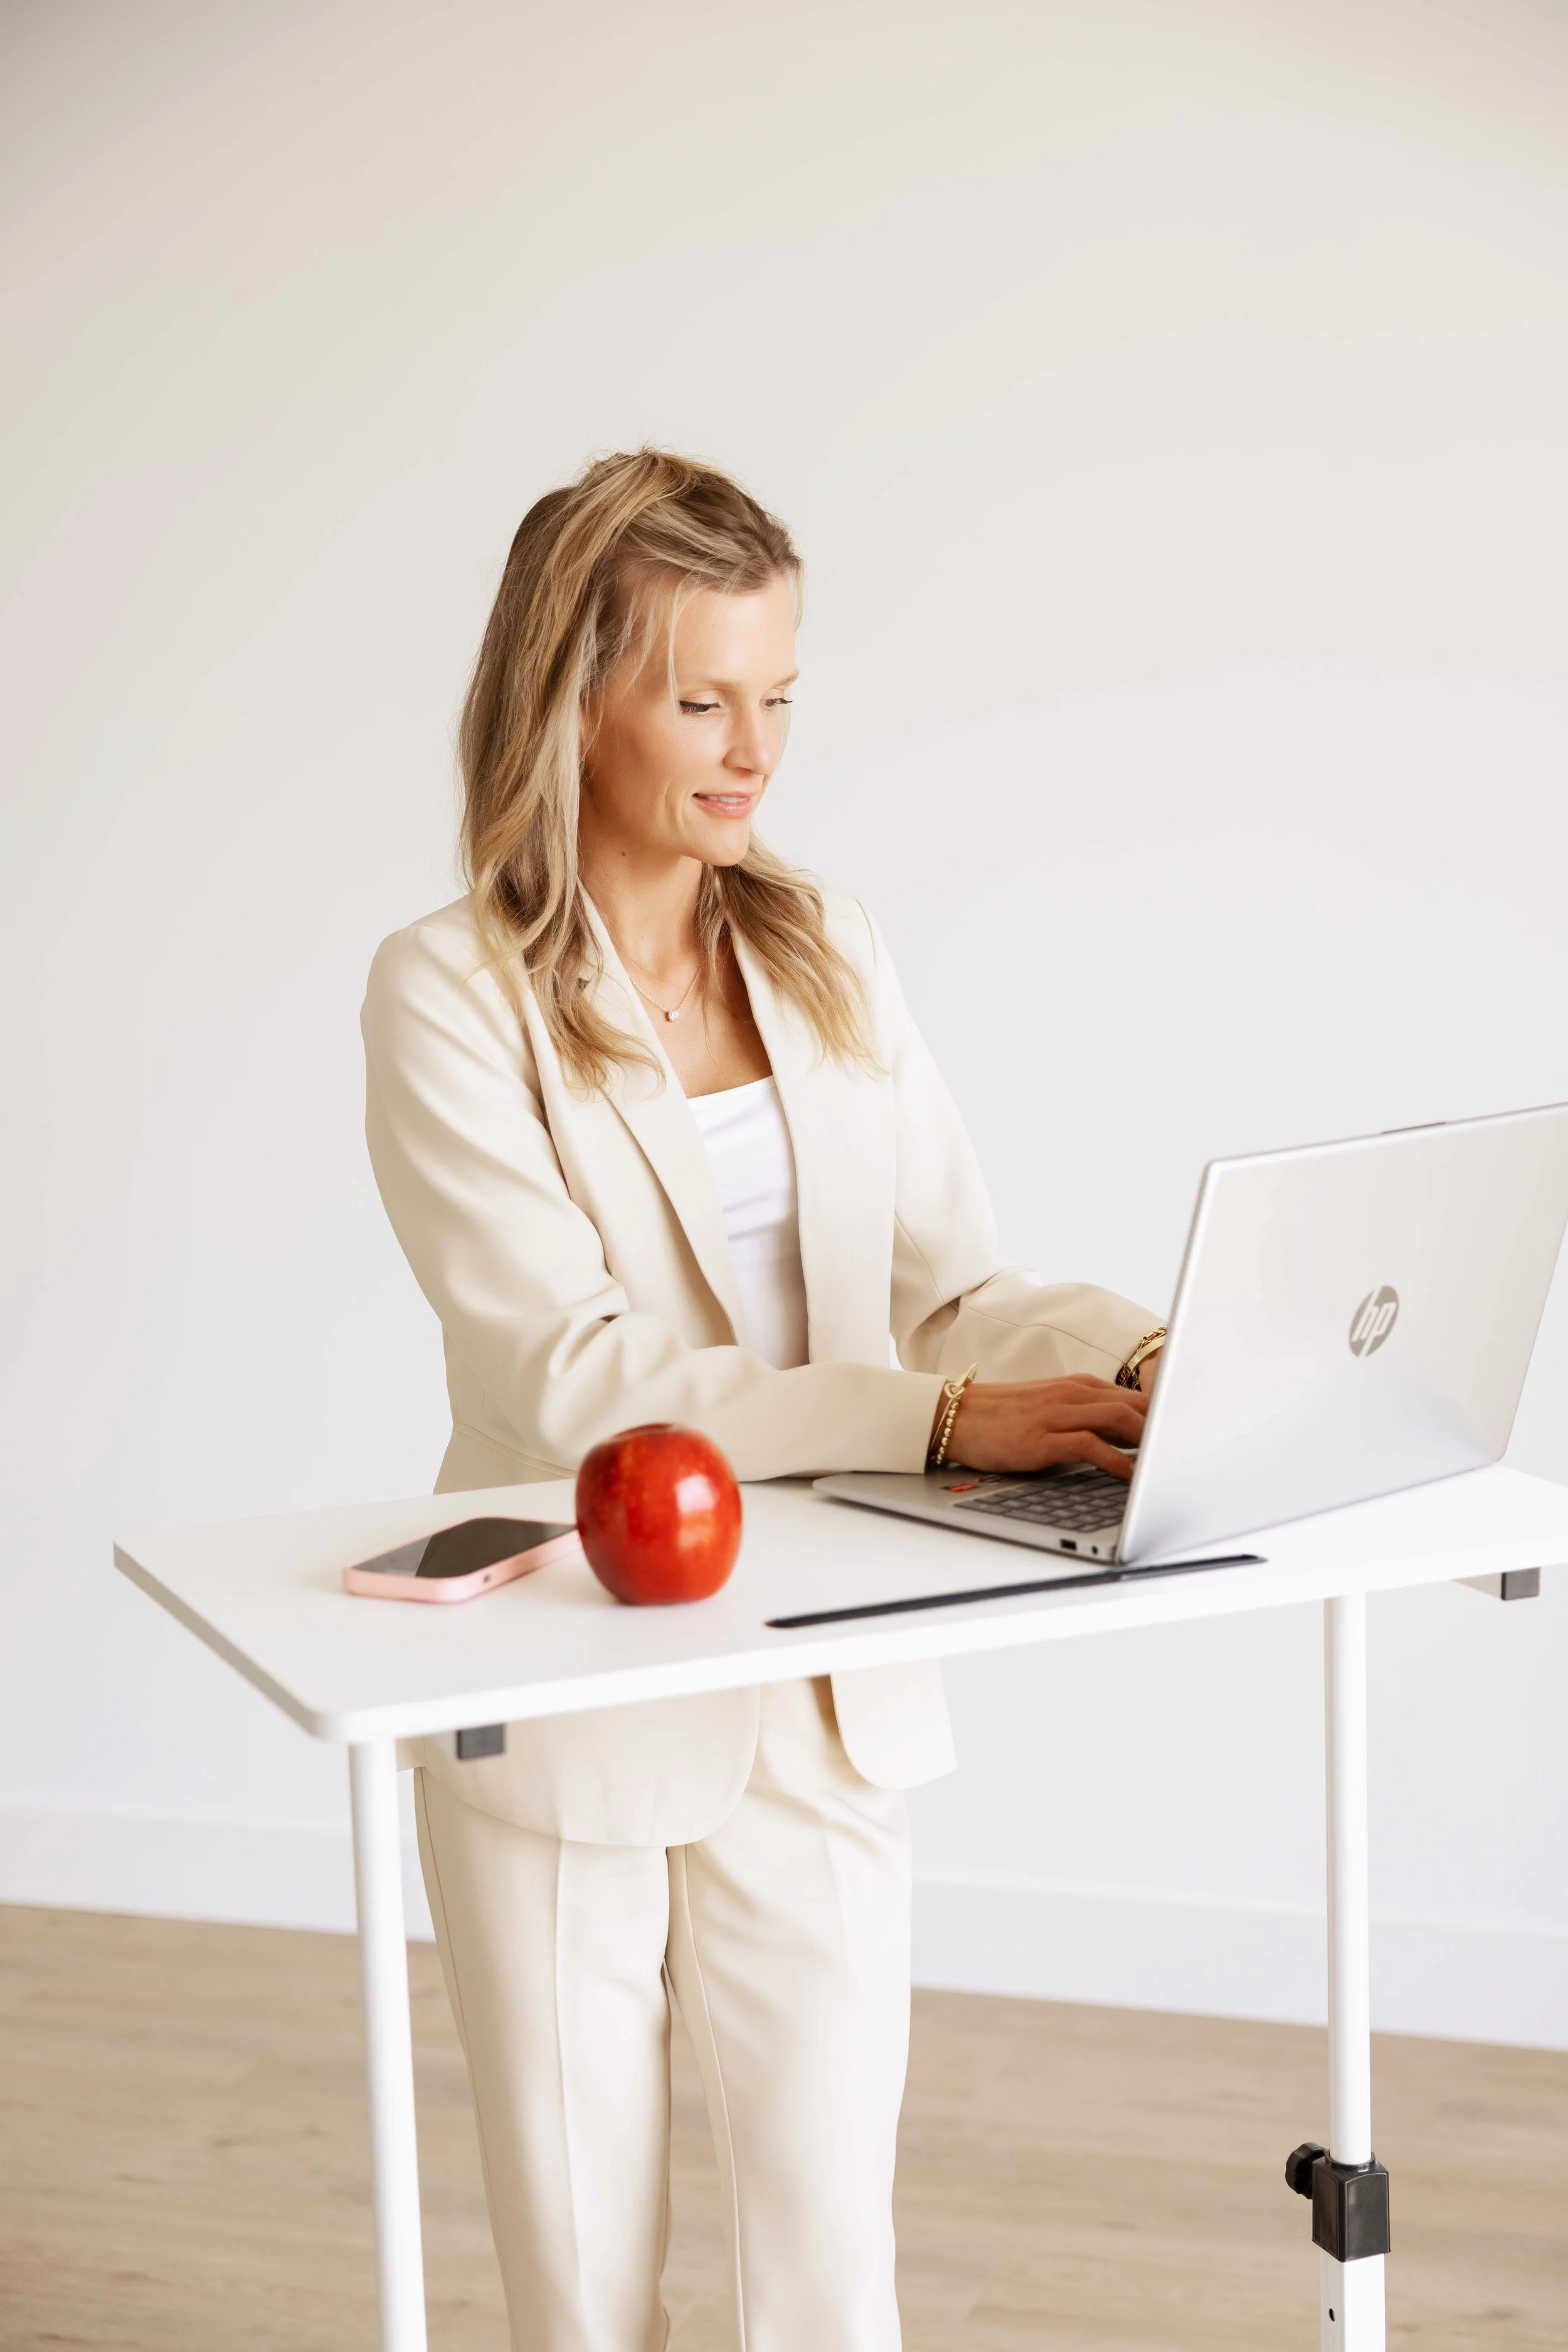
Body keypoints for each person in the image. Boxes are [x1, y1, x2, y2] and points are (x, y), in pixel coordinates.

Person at [361, 449, 1165, 2352]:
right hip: (571, 1698)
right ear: (571, 696)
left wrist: (1146, 1346)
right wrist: (935, 1422)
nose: (755, 749)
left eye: (781, 693)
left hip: (825, 1684)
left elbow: (951, 1282)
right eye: (703, 696)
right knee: (586, 2293)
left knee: (828, 2281)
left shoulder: (822, 949)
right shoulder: (449, 994)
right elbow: (567, 1378)